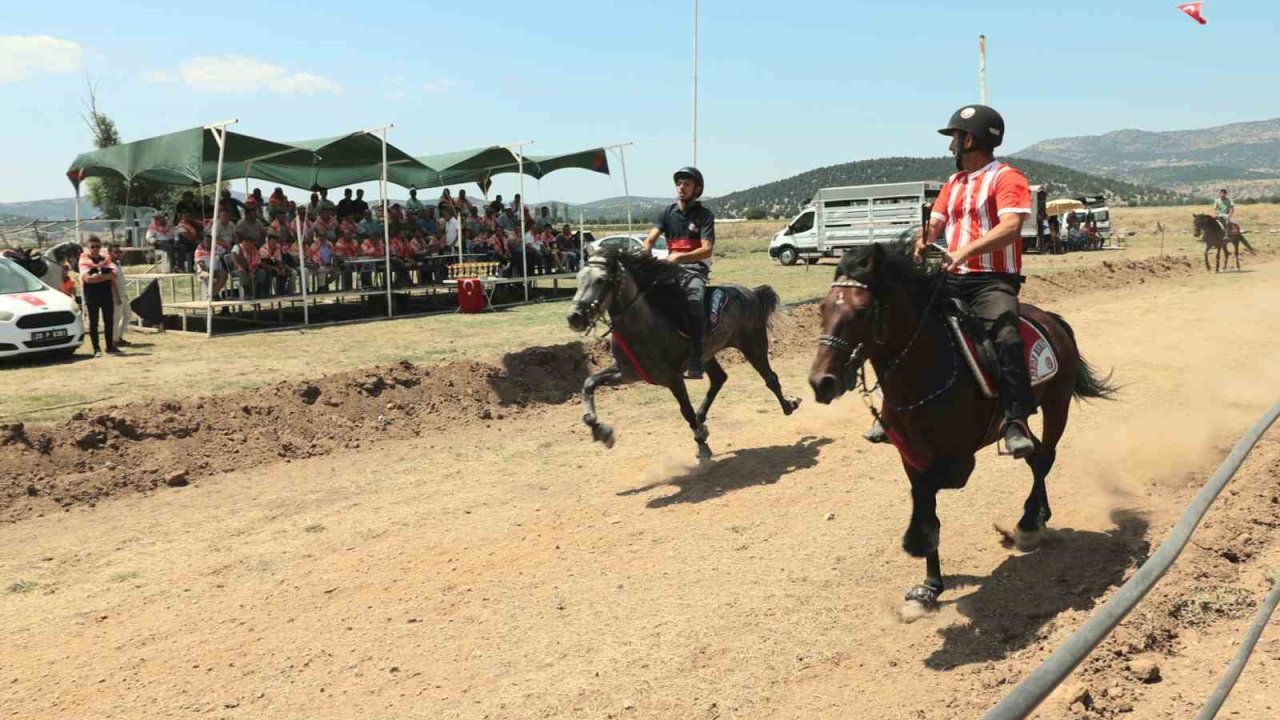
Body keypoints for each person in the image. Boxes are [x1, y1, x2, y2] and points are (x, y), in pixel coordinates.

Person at [872, 104, 1037, 457]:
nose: (950, 147)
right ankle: (891, 411)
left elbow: (1011, 227)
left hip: (992, 280)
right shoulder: (954, 182)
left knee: (1006, 337)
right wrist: (923, 237)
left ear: (971, 139)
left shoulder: (1007, 177)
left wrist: (965, 252)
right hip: (950, 275)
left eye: (955, 138)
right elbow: (936, 223)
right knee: (904, 324)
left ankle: (1016, 419)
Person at [643, 166, 715, 379]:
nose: (681, 187)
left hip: (695, 269)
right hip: (670, 268)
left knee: (694, 299)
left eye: (687, 184)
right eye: (679, 183)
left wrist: (678, 257)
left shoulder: (705, 215)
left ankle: (696, 357)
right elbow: (649, 239)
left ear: (697, 189)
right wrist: (644, 252)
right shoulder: (667, 213)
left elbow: (707, 249)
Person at [78, 235, 120, 357]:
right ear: (88, 247)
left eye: (98, 246)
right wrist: (104, 277)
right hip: (92, 295)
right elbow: (87, 279)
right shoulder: (84, 260)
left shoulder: (105, 260)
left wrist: (99, 277)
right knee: (94, 322)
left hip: (106, 294)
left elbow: (114, 275)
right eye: (93, 247)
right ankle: (96, 348)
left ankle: (110, 346)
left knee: (109, 321)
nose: (95, 249)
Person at [107, 243, 132, 346]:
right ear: (110, 253)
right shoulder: (109, 265)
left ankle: (119, 337)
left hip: (123, 294)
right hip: (115, 296)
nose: (118, 254)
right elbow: (111, 282)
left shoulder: (117, 264)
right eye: (115, 252)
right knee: (116, 318)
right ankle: (114, 340)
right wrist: (116, 296)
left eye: (119, 252)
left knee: (128, 315)